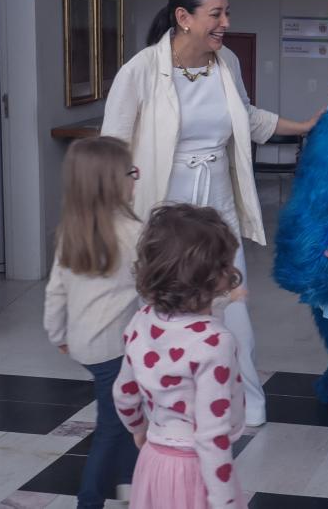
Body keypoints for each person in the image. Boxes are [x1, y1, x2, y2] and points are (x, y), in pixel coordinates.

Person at [102, 0, 323, 426]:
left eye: (227, 13)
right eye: (216, 14)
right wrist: (117, 213)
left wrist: (301, 125)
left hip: (216, 201)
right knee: (161, 304)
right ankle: (161, 405)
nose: (226, 22)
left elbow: (244, 114)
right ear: (183, 18)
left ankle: (247, 403)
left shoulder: (227, 62)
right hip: (164, 207)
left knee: (231, 298)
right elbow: (113, 146)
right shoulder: (142, 70)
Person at [114, 204, 247, 509]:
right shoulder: (215, 342)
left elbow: (124, 393)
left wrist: (138, 429)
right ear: (209, 277)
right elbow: (211, 438)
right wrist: (225, 503)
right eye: (225, 263)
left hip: (153, 461)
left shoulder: (143, 320)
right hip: (195, 471)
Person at [43, 137, 141, 508]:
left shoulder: (72, 230)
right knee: (113, 426)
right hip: (115, 348)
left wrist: (58, 334)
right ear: (113, 182)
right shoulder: (133, 233)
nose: (136, 180)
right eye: (132, 173)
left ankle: (130, 482)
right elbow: (153, 285)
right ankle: (90, 499)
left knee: (129, 411)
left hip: (83, 343)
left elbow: (56, 291)